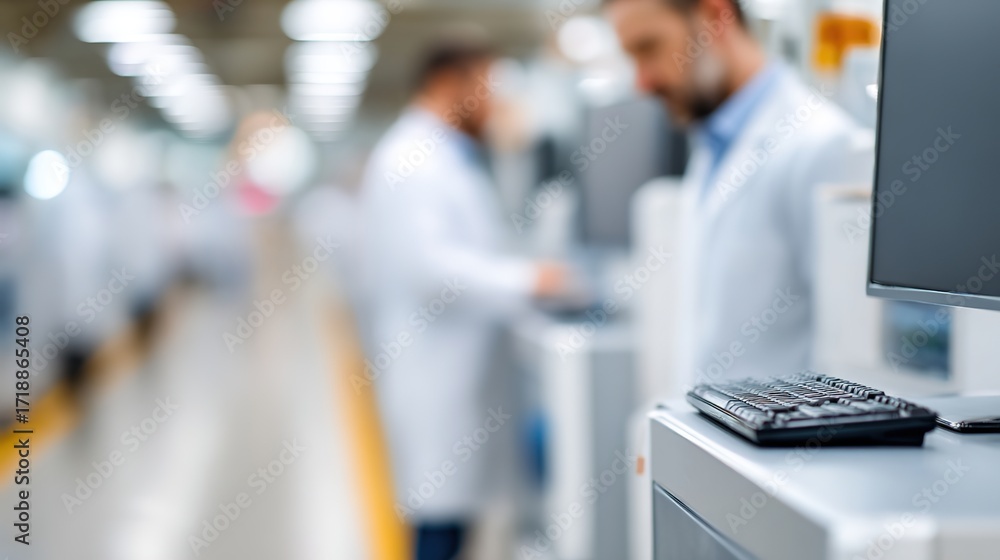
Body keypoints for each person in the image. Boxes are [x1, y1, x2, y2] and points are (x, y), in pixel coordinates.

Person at [358, 41, 567, 560]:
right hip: (436, 374)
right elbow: (431, 269)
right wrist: (529, 281)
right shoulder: (411, 159)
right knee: (439, 524)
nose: (495, 104)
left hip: (457, 370)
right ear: (452, 84)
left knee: (452, 519)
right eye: (488, 89)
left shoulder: (446, 155)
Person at [605, 0, 872, 381]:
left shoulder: (822, 145)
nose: (642, 82)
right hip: (715, 432)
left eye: (648, 48)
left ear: (716, 17)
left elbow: (852, 358)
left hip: (788, 439)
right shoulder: (714, 142)